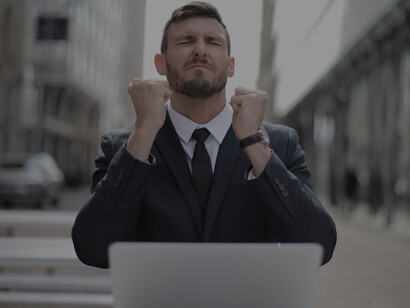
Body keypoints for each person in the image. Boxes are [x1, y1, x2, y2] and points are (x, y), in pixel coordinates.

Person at [72, 1, 337, 269]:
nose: (200, 50)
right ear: (160, 63)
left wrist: (253, 142)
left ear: (231, 65)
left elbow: (318, 246)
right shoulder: (123, 146)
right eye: (186, 41)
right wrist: (144, 131)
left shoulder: (279, 143)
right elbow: (92, 248)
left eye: (213, 42)